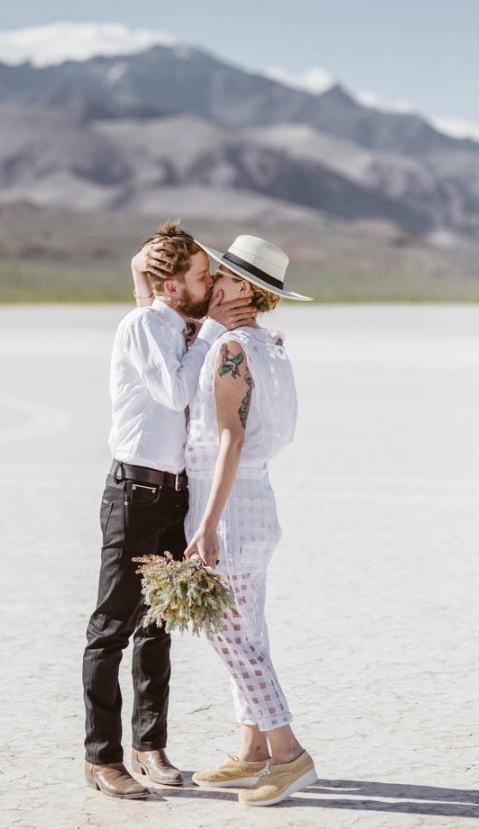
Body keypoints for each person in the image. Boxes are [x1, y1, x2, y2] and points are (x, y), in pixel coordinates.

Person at [82, 221, 257, 800]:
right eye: (204, 276)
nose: (212, 284)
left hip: (174, 494)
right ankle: (101, 758)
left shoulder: (177, 322)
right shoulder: (142, 325)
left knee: (158, 628)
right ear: (174, 287)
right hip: (134, 493)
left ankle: (148, 747)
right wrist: (209, 327)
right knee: (112, 628)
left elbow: (155, 287)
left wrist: (199, 320)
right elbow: (177, 393)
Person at [183, 235, 318, 807]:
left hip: (231, 510)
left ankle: (288, 755)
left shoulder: (232, 349)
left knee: (230, 636)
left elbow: (230, 438)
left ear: (245, 288)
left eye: (222, 274)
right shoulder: (271, 343)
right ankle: (251, 751)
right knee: (249, 631)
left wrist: (208, 523)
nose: (212, 279)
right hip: (256, 501)